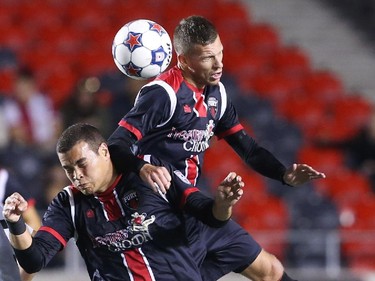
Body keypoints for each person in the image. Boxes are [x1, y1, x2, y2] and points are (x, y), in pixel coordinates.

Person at [108, 15, 326, 280]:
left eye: (220, 53)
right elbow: (116, 145)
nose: (219, 63)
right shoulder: (162, 94)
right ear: (184, 60)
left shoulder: (216, 94)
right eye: (208, 57)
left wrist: (284, 175)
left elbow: (249, 149)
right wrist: (142, 167)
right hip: (159, 213)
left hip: (193, 207)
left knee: (270, 270)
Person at [3, 123, 245, 281]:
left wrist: (223, 204)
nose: (76, 175)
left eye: (81, 164)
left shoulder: (150, 174)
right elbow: (33, 261)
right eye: (68, 169)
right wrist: (15, 223)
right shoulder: (68, 203)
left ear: (105, 152)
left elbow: (211, 216)